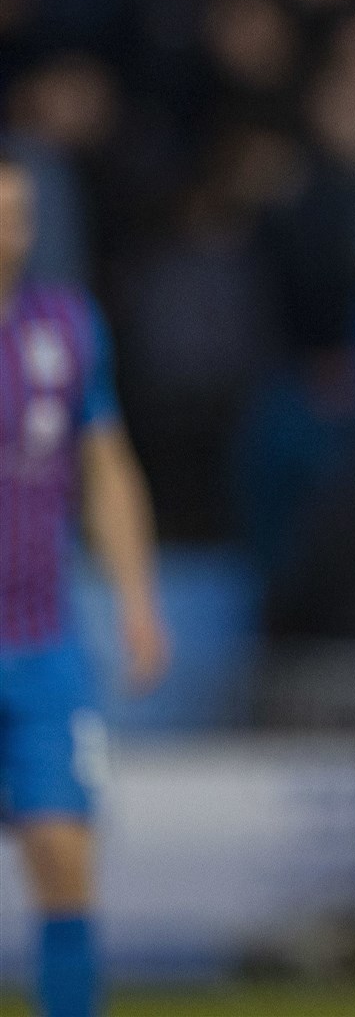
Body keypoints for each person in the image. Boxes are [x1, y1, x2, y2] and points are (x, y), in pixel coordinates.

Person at [0, 150, 169, 1016]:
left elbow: (106, 470)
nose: (12, 230)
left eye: (21, 212)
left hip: (42, 642)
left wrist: (137, 601)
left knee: (65, 860)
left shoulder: (63, 325)